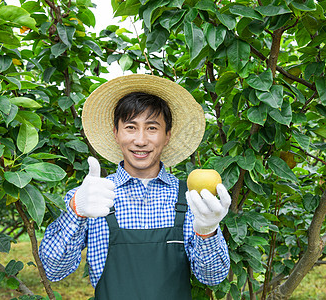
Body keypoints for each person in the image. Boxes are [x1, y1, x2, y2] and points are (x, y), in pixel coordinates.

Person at [39, 74, 231, 299]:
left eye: (152, 128)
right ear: (116, 133)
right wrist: (75, 210)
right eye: (130, 127)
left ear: (167, 135)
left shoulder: (190, 199)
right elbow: (53, 270)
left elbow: (214, 277)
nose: (140, 140)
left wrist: (207, 232)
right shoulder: (92, 197)